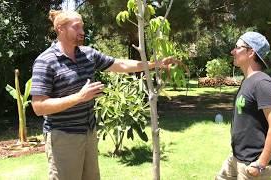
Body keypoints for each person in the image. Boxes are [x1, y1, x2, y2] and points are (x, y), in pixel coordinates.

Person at [30, 10, 174, 180]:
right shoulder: (45, 61)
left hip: (89, 133)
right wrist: (79, 97)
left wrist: (154, 64)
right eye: (77, 27)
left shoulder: (88, 54)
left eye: (82, 27)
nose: (82, 32)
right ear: (60, 29)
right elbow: (38, 107)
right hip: (63, 137)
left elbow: (119, 64)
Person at [215, 32, 271, 179]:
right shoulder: (247, 81)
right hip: (238, 157)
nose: (232, 51)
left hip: (253, 163)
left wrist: (260, 164)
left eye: (237, 47)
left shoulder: (262, 83)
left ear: (251, 52)